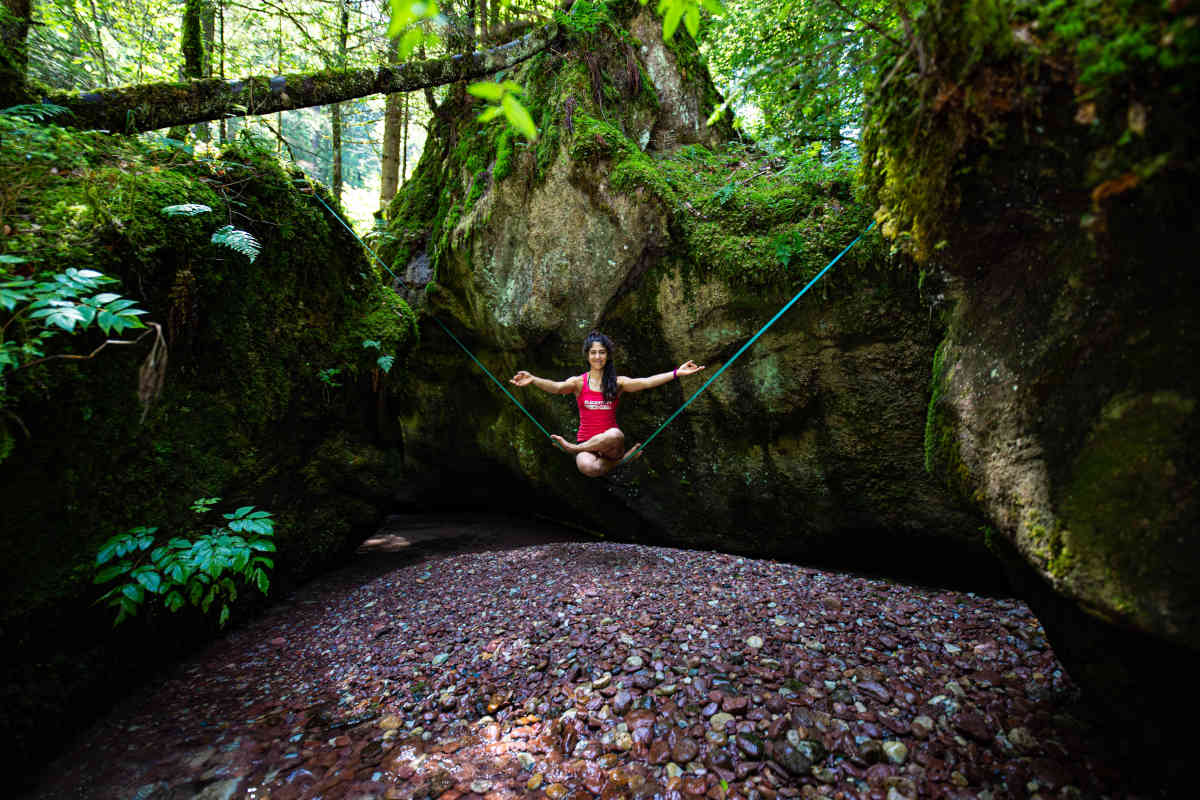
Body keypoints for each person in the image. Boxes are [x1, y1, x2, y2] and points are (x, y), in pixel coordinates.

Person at [510, 330, 705, 477]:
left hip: (611, 445)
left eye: (601, 352)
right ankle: (620, 462)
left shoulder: (618, 382)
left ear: (607, 356)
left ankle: (572, 449)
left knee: (614, 434)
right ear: (587, 355)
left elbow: (647, 382)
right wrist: (534, 379)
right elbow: (557, 387)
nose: (597, 356)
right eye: (593, 352)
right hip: (587, 444)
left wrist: (676, 373)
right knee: (587, 467)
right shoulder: (579, 382)